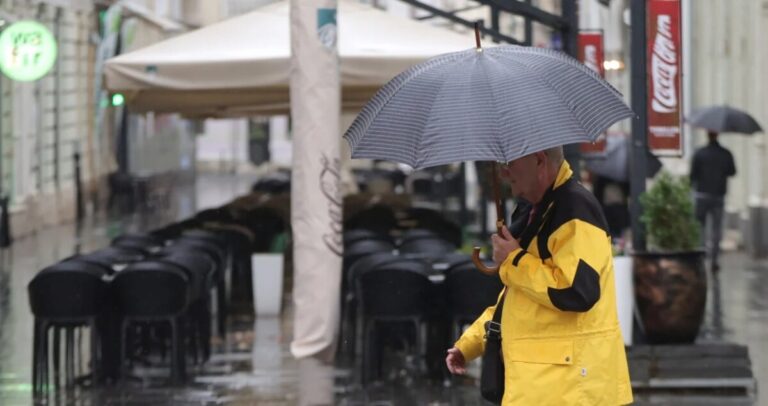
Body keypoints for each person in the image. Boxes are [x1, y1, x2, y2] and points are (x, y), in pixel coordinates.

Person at [445, 146, 632, 405]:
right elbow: (519, 300)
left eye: (511, 162)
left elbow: (576, 291)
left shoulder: (575, 211)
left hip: (569, 389)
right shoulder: (538, 209)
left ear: (539, 161)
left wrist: (514, 258)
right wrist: (470, 344)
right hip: (545, 385)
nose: (505, 171)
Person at [689, 131, 736, 271]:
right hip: (718, 196)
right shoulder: (726, 153)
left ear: (707, 135)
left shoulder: (699, 153)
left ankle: (702, 256)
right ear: (717, 135)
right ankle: (714, 259)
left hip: (702, 195)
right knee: (716, 229)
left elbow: (692, 175)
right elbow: (733, 171)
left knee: (700, 227)